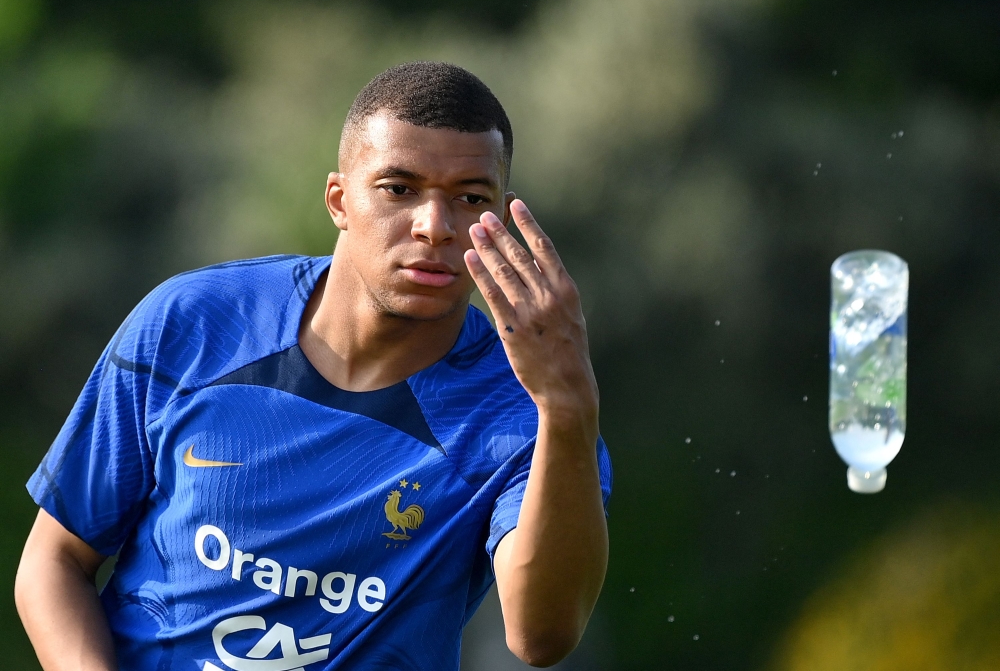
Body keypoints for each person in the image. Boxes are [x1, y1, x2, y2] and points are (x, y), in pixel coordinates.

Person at [15, 61, 612, 670]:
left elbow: (543, 637)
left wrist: (568, 409)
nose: (434, 226)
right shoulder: (194, 323)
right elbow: (54, 562)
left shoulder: (528, 414)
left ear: (501, 219)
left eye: (470, 198)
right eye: (399, 189)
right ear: (339, 200)